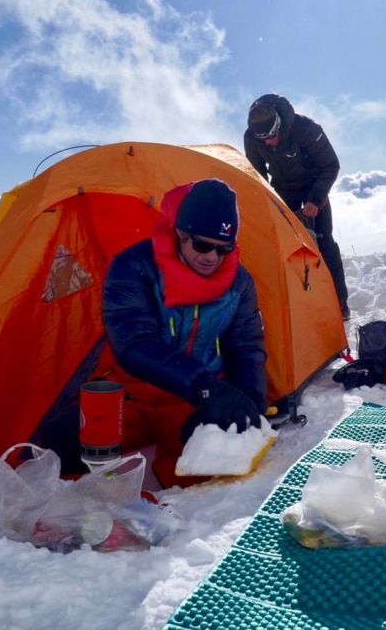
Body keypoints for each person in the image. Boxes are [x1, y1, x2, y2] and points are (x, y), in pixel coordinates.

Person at [101, 178, 268, 488]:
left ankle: (165, 497)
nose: (212, 257)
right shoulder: (134, 266)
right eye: (202, 245)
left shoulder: (239, 282)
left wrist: (249, 396)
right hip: (134, 395)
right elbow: (134, 343)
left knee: (216, 469)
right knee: (67, 449)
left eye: (224, 249)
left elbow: (246, 344)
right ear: (180, 232)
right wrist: (204, 386)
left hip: (190, 403)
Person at [244, 93, 351, 321]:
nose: (267, 143)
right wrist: (266, 201)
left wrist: (316, 199)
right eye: (261, 138)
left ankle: (340, 302)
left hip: (314, 188)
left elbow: (331, 165)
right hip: (284, 190)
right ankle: (296, 302)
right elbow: (257, 173)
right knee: (286, 247)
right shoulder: (253, 137)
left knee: (324, 243)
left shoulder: (305, 129)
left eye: (270, 136)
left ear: (279, 125)